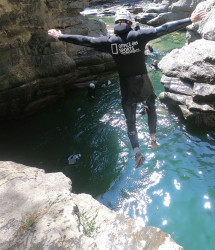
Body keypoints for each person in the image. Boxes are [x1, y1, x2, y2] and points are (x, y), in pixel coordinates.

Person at [48, 9, 206, 168]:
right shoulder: (139, 36)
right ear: (129, 22)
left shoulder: (110, 42)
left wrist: (61, 36)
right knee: (151, 108)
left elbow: (85, 40)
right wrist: (190, 20)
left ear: (116, 23)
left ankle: (137, 152)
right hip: (143, 82)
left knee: (130, 121)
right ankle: (152, 139)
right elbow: (163, 29)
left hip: (126, 86)